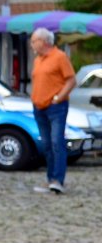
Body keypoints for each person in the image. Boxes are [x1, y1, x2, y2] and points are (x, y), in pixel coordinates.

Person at [29, 27, 76, 194]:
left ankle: (58, 180)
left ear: (43, 42)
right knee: (47, 145)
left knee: (57, 142)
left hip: (56, 107)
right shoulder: (38, 60)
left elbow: (71, 80)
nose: (31, 44)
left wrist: (58, 98)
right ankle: (50, 180)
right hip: (39, 107)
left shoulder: (59, 57)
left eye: (33, 41)